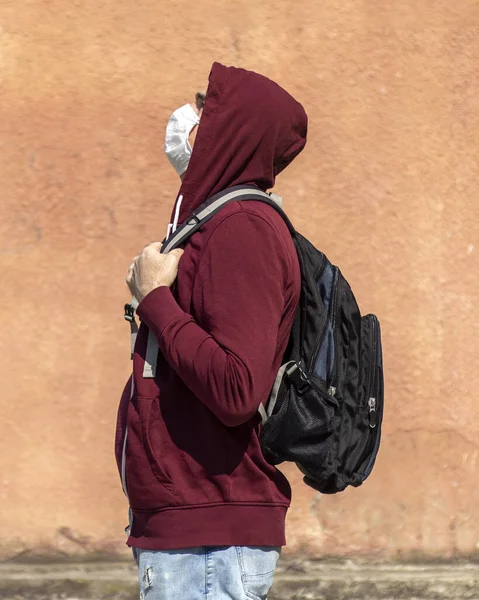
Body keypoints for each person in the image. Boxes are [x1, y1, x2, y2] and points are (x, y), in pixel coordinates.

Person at [116, 62, 307, 600]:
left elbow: (236, 388)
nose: (186, 118)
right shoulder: (212, 222)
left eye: (204, 107)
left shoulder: (240, 228)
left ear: (234, 129)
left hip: (211, 543)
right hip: (193, 527)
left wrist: (155, 298)